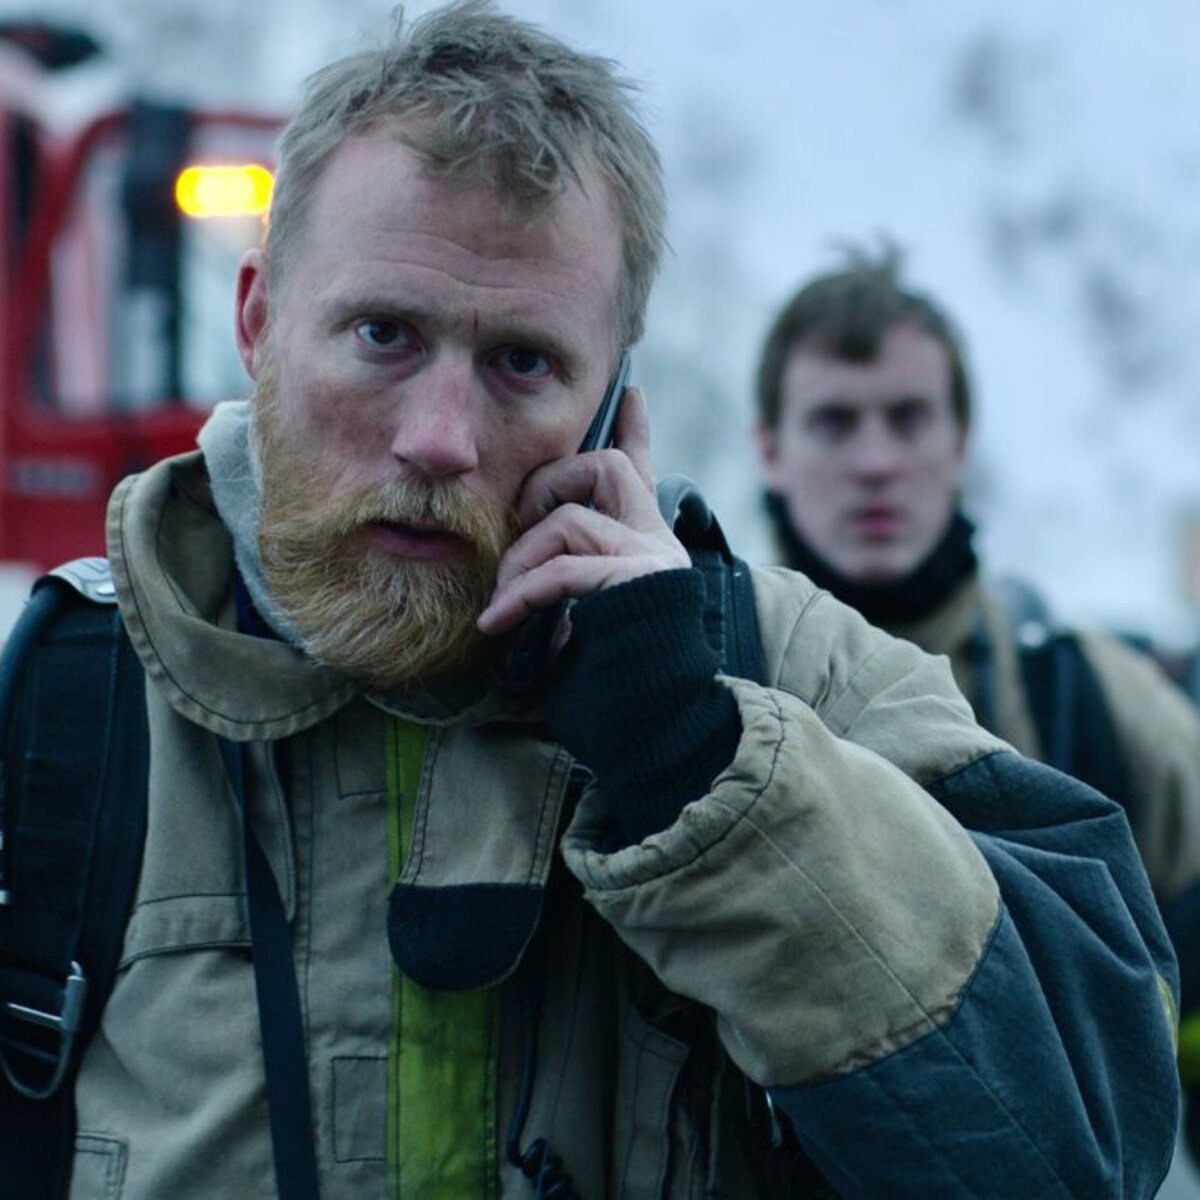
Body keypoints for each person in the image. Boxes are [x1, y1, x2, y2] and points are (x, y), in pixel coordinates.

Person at [20, 6, 1179, 1196]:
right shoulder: (73, 699)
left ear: (614, 402)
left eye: (522, 361)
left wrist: (701, 765)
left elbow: (1086, 1144)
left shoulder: (783, 670)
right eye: (383, 334)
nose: (439, 438)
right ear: (259, 321)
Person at [755, 241, 1200, 1159]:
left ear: (958, 445)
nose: (875, 461)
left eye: (908, 418)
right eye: (834, 422)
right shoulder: (698, 689)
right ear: (770, 451)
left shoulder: (1089, 695)